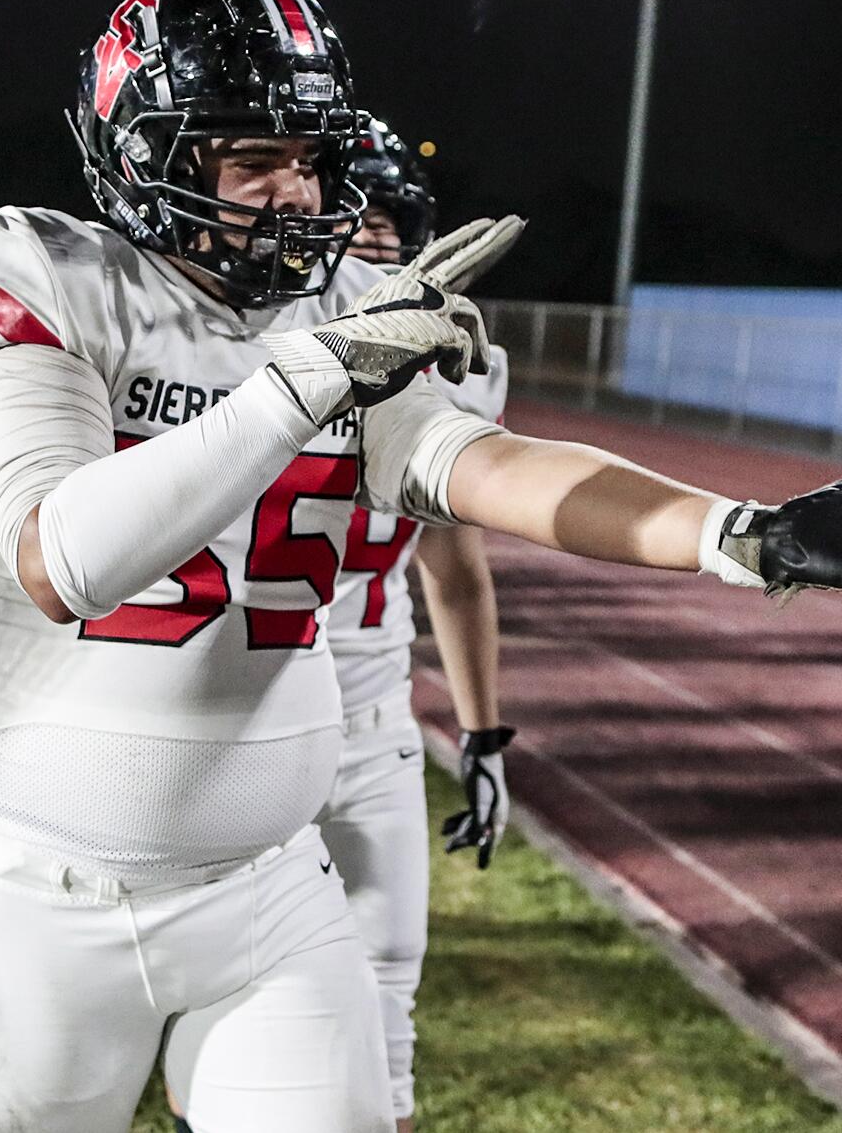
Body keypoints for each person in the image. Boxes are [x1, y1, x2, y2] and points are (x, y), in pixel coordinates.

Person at [0, 0, 842, 1133]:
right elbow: (58, 556)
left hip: (267, 887)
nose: (295, 190)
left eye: (308, 155)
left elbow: (486, 466)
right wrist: (309, 376)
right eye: (251, 156)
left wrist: (737, 533)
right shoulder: (40, 272)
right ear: (145, 157)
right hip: (38, 898)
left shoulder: (343, 309)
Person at [317, 118, 510, 1132]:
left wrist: (480, 732)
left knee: (383, 1036)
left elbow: (454, 564)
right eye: (360, 218)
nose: (378, 242)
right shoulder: (244, 340)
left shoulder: (465, 365)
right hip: (236, 716)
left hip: (372, 716)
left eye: (396, 223)